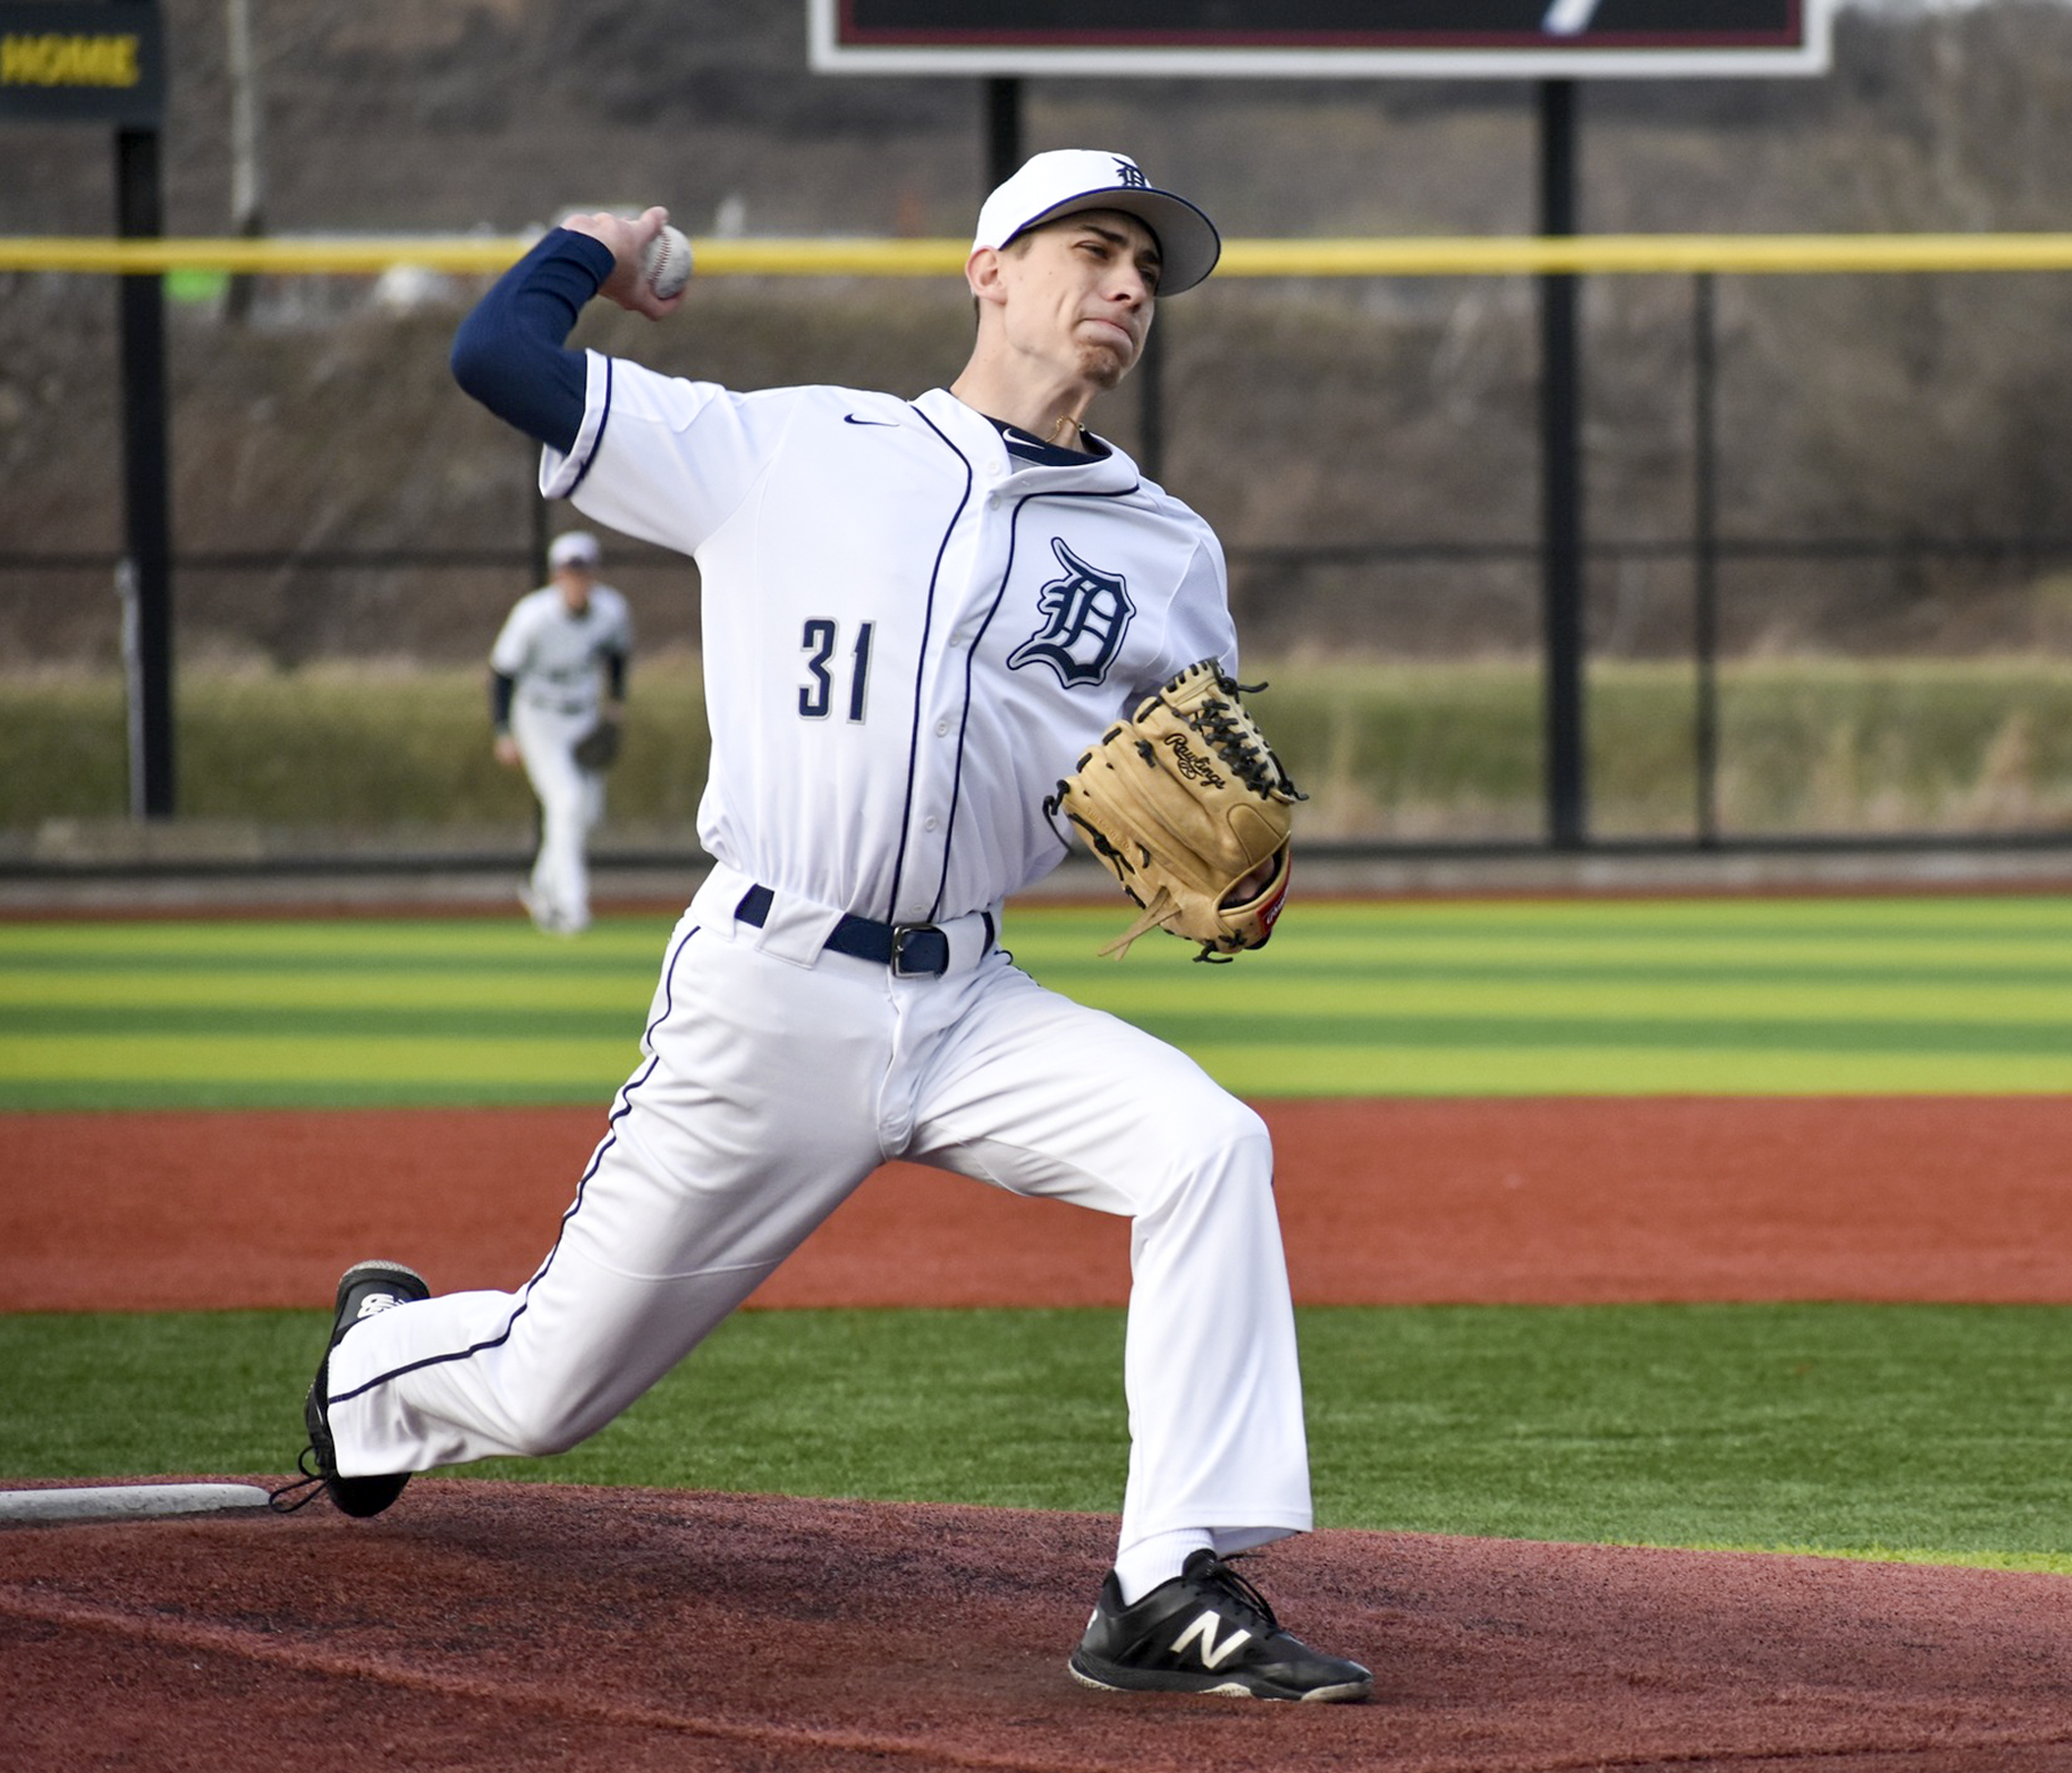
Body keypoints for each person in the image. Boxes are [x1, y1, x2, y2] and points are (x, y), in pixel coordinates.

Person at [290, 150, 1371, 1704]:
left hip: (973, 1001)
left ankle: (1160, 1584)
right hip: (772, 990)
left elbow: (1184, 787)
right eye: (1095, 246)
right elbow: (497, 360)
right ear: (990, 268)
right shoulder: (787, 450)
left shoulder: (1165, 549)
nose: (1129, 285)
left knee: (1209, 1145)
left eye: (1149, 265)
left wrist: (1241, 873)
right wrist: (595, 246)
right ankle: (374, 1368)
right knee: (546, 1394)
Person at [489, 530, 634, 937]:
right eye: (570, 572)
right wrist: (503, 731)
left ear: (594, 575)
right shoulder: (533, 616)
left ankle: (540, 887)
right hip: (538, 718)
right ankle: (571, 908)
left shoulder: (611, 611)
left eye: (583, 571)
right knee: (566, 802)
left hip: (583, 717)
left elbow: (618, 655)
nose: (577, 580)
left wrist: (616, 707)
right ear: (556, 577)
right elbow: (502, 673)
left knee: (584, 813)